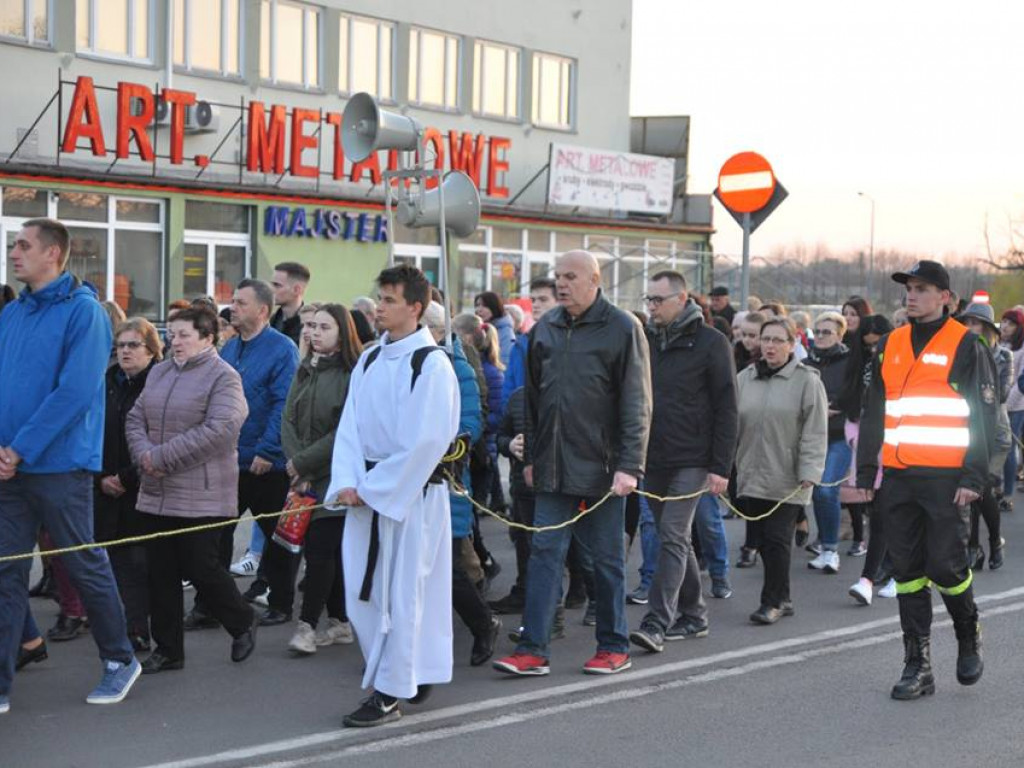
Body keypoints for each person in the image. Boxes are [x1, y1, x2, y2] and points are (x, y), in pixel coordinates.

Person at [0, 217, 142, 713]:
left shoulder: (85, 313)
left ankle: (119, 660)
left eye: (23, 246)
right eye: (13, 245)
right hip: (12, 469)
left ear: (53, 255)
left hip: (58, 466)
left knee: (82, 563)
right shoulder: (13, 315)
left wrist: (19, 449)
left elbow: (76, 392)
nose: (13, 253)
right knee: (6, 571)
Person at [493, 250, 652, 677]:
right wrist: (533, 458)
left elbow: (637, 402)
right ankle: (532, 650)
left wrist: (629, 465)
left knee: (606, 558)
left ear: (595, 279)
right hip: (551, 468)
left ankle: (614, 645)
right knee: (543, 553)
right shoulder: (545, 328)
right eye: (557, 277)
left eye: (571, 276)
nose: (561, 284)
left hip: (603, 469)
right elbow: (533, 399)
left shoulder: (622, 327)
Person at [326, 264, 460, 727]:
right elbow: (349, 426)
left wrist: (376, 490)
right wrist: (347, 481)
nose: (378, 308)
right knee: (364, 594)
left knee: (403, 595)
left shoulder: (432, 364)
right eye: (378, 298)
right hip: (365, 493)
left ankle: (390, 690)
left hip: (409, 498)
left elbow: (425, 441)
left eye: (388, 300)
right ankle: (404, 672)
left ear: (415, 308)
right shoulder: (368, 359)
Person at [857, 260, 993, 700]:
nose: (911, 295)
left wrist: (975, 475)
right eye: (909, 288)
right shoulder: (891, 344)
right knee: (907, 572)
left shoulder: (966, 345)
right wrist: (864, 471)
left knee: (947, 567)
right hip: (898, 476)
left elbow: (982, 415)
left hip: (946, 478)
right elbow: (875, 410)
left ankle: (967, 633)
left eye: (922, 288)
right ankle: (918, 664)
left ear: (946, 298)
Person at [126, 305, 257, 674]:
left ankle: (242, 620)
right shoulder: (161, 372)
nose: (175, 341)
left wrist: (161, 457)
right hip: (156, 490)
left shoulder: (224, 377)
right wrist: (144, 456)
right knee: (160, 573)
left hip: (202, 493)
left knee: (202, 568)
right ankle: (168, 650)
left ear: (208, 338)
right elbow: (136, 418)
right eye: (172, 334)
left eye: (185, 335)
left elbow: (220, 430)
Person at [628, 271, 737, 654]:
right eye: (649, 300)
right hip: (653, 457)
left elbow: (727, 407)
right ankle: (695, 614)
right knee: (676, 538)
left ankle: (657, 622)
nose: (652, 307)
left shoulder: (711, 343)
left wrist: (721, 466)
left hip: (694, 457)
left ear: (681, 298)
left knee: (670, 535)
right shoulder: (646, 342)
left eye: (658, 300)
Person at [200, 279, 300, 630]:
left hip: (264, 462)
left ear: (261, 310)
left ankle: (281, 602)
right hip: (228, 458)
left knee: (275, 535)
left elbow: (283, 403)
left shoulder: (282, 349)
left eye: (241, 303)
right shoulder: (229, 348)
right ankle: (210, 605)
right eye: (233, 301)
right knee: (215, 534)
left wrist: (268, 449)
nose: (233, 307)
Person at [423, 301, 501, 666]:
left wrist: (430, 454)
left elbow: (467, 426)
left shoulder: (456, 366)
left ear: (436, 330)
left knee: (448, 569)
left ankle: (484, 624)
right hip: (407, 486)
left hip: (443, 482)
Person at [281, 304, 362, 655]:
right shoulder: (304, 369)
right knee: (326, 554)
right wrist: (296, 465)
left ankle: (307, 626)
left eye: (324, 327)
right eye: (311, 326)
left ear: (342, 334)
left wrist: (303, 464)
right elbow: (288, 419)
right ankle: (341, 622)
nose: (314, 333)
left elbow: (344, 430)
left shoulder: (352, 373)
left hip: (335, 477)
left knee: (319, 554)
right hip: (304, 477)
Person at [736, 317, 827, 625]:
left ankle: (771, 601)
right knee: (761, 539)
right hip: (751, 470)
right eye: (766, 339)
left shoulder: (807, 380)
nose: (770, 346)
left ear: (792, 345)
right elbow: (731, 423)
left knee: (777, 539)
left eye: (778, 340)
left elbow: (816, 429)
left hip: (788, 473)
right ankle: (784, 597)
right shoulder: (745, 378)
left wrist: (811, 470)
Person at [96, 318, 162, 653]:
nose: (124, 351)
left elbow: (160, 438)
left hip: (144, 484)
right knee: (114, 559)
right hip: (104, 482)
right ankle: (124, 625)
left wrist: (126, 477)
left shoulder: (161, 382)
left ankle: (142, 627)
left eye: (133, 345)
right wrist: (101, 476)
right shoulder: (107, 381)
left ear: (151, 350)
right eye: (120, 345)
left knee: (141, 561)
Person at [960, 302, 1010, 571]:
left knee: (981, 490)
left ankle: (993, 542)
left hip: (996, 434)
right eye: (966, 323)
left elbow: (998, 395)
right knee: (970, 490)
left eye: (975, 323)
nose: (970, 329)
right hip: (968, 429)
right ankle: (973, 547)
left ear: (988, 329)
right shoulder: (961, 353)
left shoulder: (1002, 355)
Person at [804, 311, 852, 573]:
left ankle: (831, 549)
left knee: (825, 489)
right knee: (814, 493)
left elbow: (856, 394)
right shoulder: (806, 361)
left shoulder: (849, 361)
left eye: (827, 332)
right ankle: (823, 542)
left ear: (840, 335)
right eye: (817, 332)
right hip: (810, 436)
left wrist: (833, 407)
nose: (820, 337)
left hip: (839, 434)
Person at [502, 277, 557, 410]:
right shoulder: (521, 343)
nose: (535, 305)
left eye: (543, 299)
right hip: (522, 422)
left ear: (559, 302)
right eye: (533, 300)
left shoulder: (569, 341)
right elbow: (509, 389)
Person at [1000, 308, 1024, 512]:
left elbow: (1021, 383)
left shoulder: (1022, 348)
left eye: (1011, 323)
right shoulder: (999, 344)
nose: (1005, 326)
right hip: (997, 404)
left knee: (1008, 449)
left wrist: (1006, 403)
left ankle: (1007, 493)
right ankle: (994, 487)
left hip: (1015, 406)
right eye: (1004, 321)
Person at [270, 262, 311, 346]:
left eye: (277, 285)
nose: (271, 289)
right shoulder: (273, 321)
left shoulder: (310, 327)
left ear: (297, 290)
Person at [474, 291, 515, 367]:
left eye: (484, 306)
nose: (479, 309)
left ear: (494, 307)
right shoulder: (478, 330)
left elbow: (505, 363)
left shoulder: (506, 333)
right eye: (477, 305)